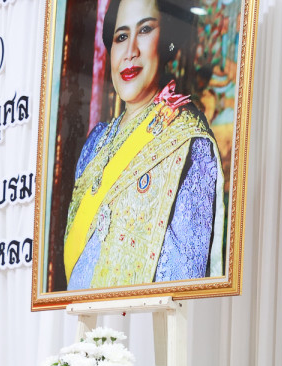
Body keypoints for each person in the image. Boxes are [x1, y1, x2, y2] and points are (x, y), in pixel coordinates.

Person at [64, 0, 225, 290]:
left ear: (168, 41)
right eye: (121, 36)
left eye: (145, 30)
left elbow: (183, 282)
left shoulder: (189, 145)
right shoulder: (94, 144)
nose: (131, 51)